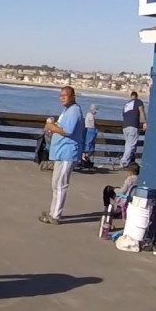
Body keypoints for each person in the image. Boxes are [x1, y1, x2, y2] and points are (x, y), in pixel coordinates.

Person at [41, 86, 86, 225]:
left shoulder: (74, 111)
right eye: (61, 95)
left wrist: (51, 127)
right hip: (60, 152)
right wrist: (54, 125)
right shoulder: (67, 110)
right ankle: (53, 211)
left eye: (65, 95)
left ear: (72, 96)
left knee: (60, 185)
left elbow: (67, 131)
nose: (62, 98)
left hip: (67, 152)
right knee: (56, 184)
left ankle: (55, 215)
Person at [120, 91, 147, 167]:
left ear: (131, 96)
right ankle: (124, 161)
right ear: (136, 96)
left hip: (125, 127)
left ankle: (129, 162)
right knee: (131, 145)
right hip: (133, 126)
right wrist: (144, 122)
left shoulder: (126, 105)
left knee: (128, 145)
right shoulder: (138, 102)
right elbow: (141, 111)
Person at [81, 104, 98, 168]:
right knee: (89, 146)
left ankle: (85, 158)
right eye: (95, 110)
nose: (96, 112)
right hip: (90, 130)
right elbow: (92, 124)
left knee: (88, 146)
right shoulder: (90, 115)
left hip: (90, 130)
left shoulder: (89, 115)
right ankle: (85, 159)